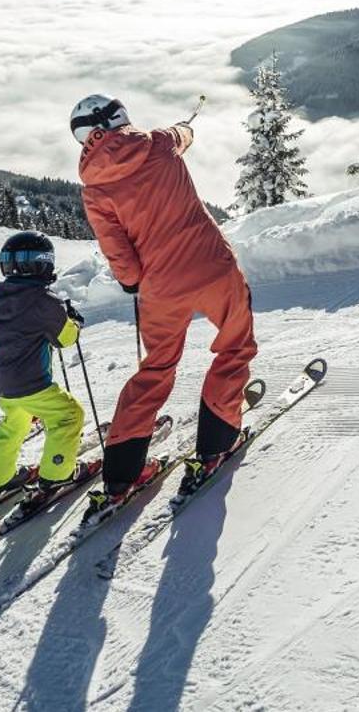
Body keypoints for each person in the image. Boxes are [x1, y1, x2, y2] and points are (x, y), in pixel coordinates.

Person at [72, 94, 258, 499]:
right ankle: (217, 441)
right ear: (119, 117)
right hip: (213, 267)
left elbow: (119, 254)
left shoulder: (94, 190)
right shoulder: (159, 142)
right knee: (235, 346)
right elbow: (182, 134)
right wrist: (186, 127)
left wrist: (132, 281)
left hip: (159, 288)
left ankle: (121, 472)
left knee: (155, 369)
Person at [0, 231, 85, 510]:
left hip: (6, 384)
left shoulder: (0, 296)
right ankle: (56, 476)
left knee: (14, 424)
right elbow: (65, 338)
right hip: (34, 384)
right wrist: (75, 322)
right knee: (69, 415)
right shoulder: (43, 299)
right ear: (44, 264)